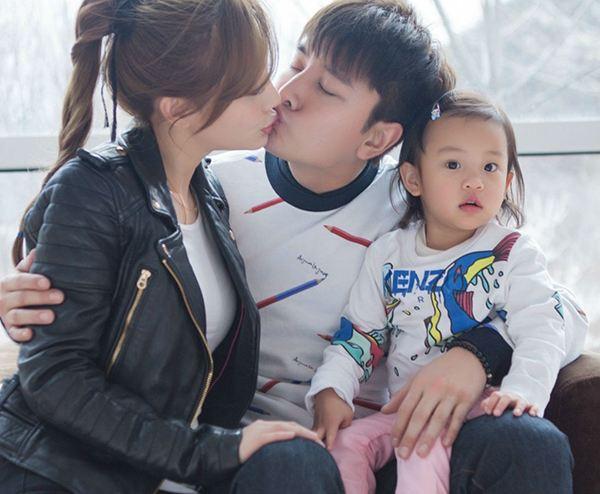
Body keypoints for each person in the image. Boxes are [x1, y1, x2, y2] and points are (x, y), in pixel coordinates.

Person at [0, 1, 587, 493]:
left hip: (388, 447)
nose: (286, 92)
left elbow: (560, 309)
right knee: (292, 464)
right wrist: (33, 293)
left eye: (326, 88)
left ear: (377, 138)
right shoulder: (211, 190)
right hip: (259, 455)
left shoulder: (415, 204)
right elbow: (104, 287)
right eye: (296, 63)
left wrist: (476, 354)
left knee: (527, 442)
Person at [0, 1, 342, 493]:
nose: (275, 98)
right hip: (66, 475)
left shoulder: (210, 194)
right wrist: (208, 452)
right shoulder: (93, 191)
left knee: (298, 462)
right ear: (178, 106)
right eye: (251, 89)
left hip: (168, 465)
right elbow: (55, 376)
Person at [306, 91, 580, 494]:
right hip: (406, 408)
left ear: (506, 181)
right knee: (347, 445)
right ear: (414, 179)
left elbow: (543, 325)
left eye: (490, 167)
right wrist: (332, 389)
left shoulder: (512, 252)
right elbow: (360, 335)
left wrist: (524, 391)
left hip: (480, 403)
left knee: (421, 448)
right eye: (453, 165)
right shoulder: (388, 254)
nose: (474, 181)